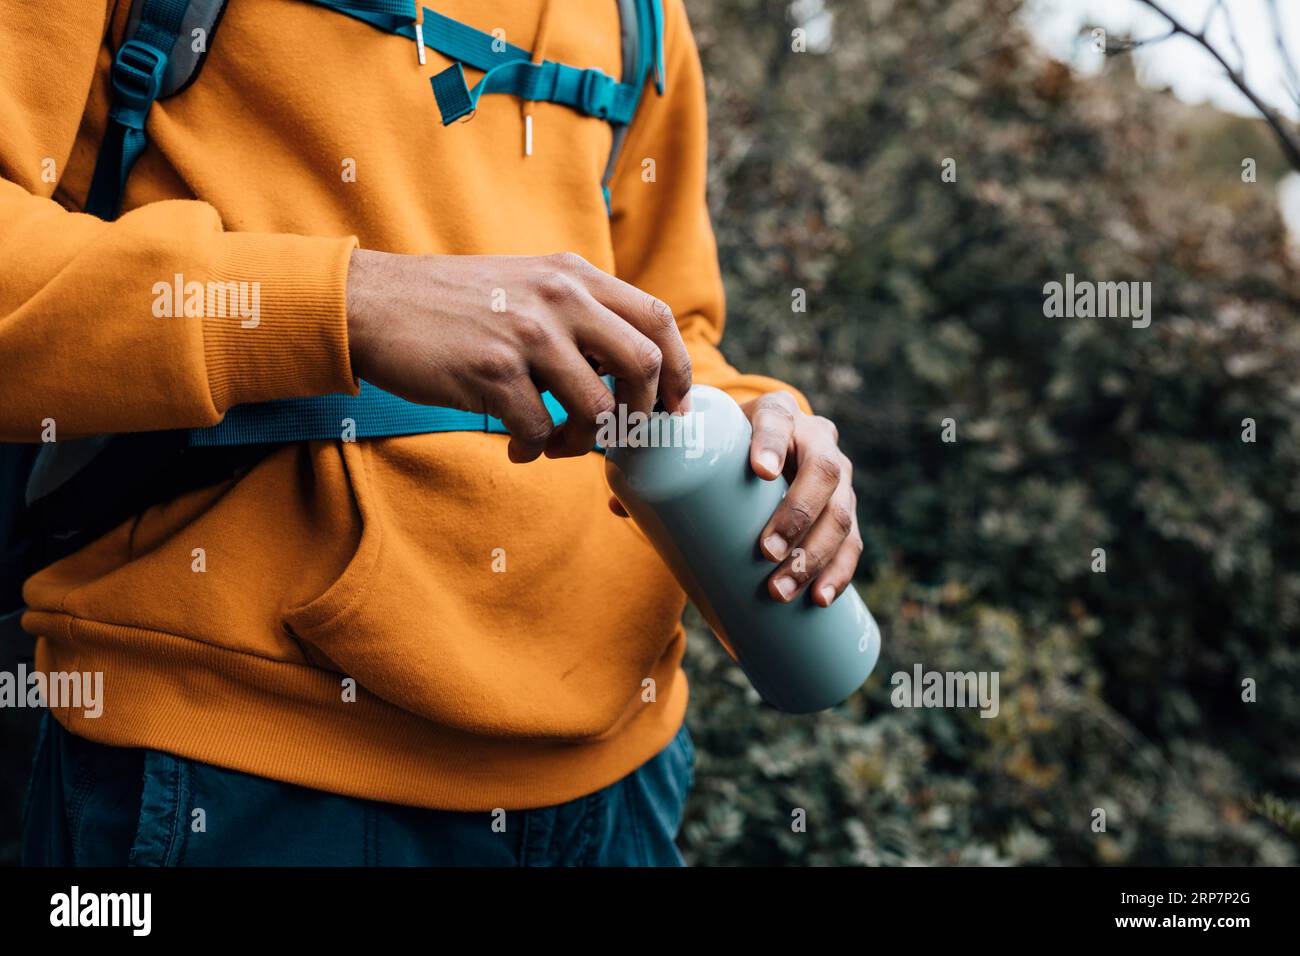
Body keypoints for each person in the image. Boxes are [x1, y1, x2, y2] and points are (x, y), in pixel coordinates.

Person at [2, 0, 863, 866]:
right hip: (242, 761)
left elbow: (672, 334)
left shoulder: (642, 15)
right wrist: (350, 304)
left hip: (622, 777)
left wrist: (759, 418)